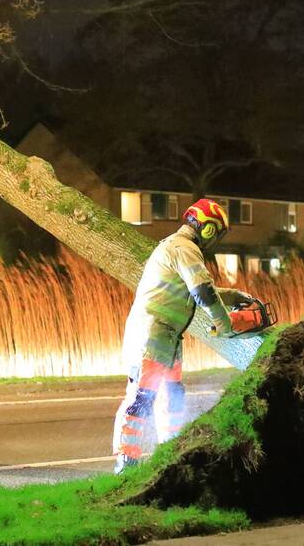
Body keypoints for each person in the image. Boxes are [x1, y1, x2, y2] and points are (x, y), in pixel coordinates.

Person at [112, 198, 256, 473]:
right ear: (208, 229)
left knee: (172, 397)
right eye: (217, 234)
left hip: (167, 338)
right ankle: (126, 466)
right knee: (142, 398)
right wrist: (224, 323)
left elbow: (197, 289)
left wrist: (234, 296)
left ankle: (170, 457)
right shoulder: (185, 248)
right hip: (152, 337)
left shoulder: (177, 247)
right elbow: (202, 291)